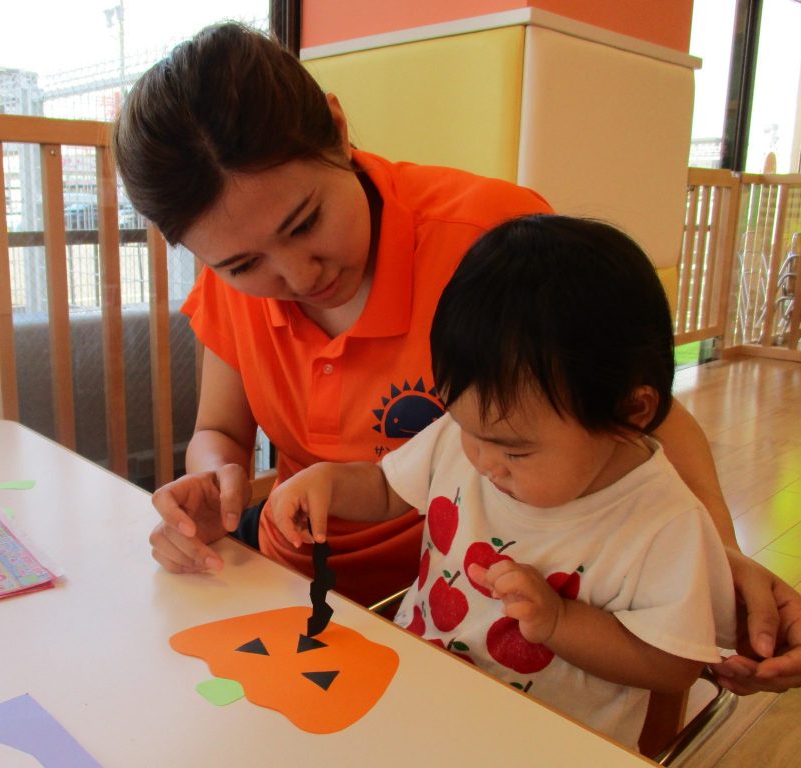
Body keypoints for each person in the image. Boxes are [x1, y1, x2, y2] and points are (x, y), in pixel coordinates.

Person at [113, 21, 801, 695]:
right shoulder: (230, 289)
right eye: (242, 264)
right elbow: (219, 432)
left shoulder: (488, 241)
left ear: (339, 129)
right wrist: (213, 490)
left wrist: (717, 559)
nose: (297, 275)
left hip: (469, 602)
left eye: (305, 222)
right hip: (296, 584)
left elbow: (627, 410)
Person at [268, 214, 737, 748]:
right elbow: (385, 489)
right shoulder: (467, 437)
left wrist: (559, 621)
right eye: (466, 428)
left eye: (515, 450)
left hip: (544, 743)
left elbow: (672, 665)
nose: (482, 462)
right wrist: (327, 481)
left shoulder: (664, 523)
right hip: (414, 695)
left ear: (630, 413)